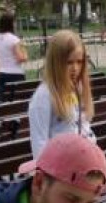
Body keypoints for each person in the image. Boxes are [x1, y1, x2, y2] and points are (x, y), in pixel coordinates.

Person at [28, 30, 95, 159]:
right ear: (56, 63)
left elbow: (84, 127)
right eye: (69, 62)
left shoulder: (78, 88)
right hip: (58, 170)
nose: (75, 68)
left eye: (79, 62)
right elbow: (39, 145)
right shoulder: (43, 96)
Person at [0, 13, 27, 103]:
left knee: (2, 104)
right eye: (14, 22)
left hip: (2, 74)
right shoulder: (14, 39)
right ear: (11, 24)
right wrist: (24, 49)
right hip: (16, 75)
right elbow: (21, 58)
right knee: (18, 103)